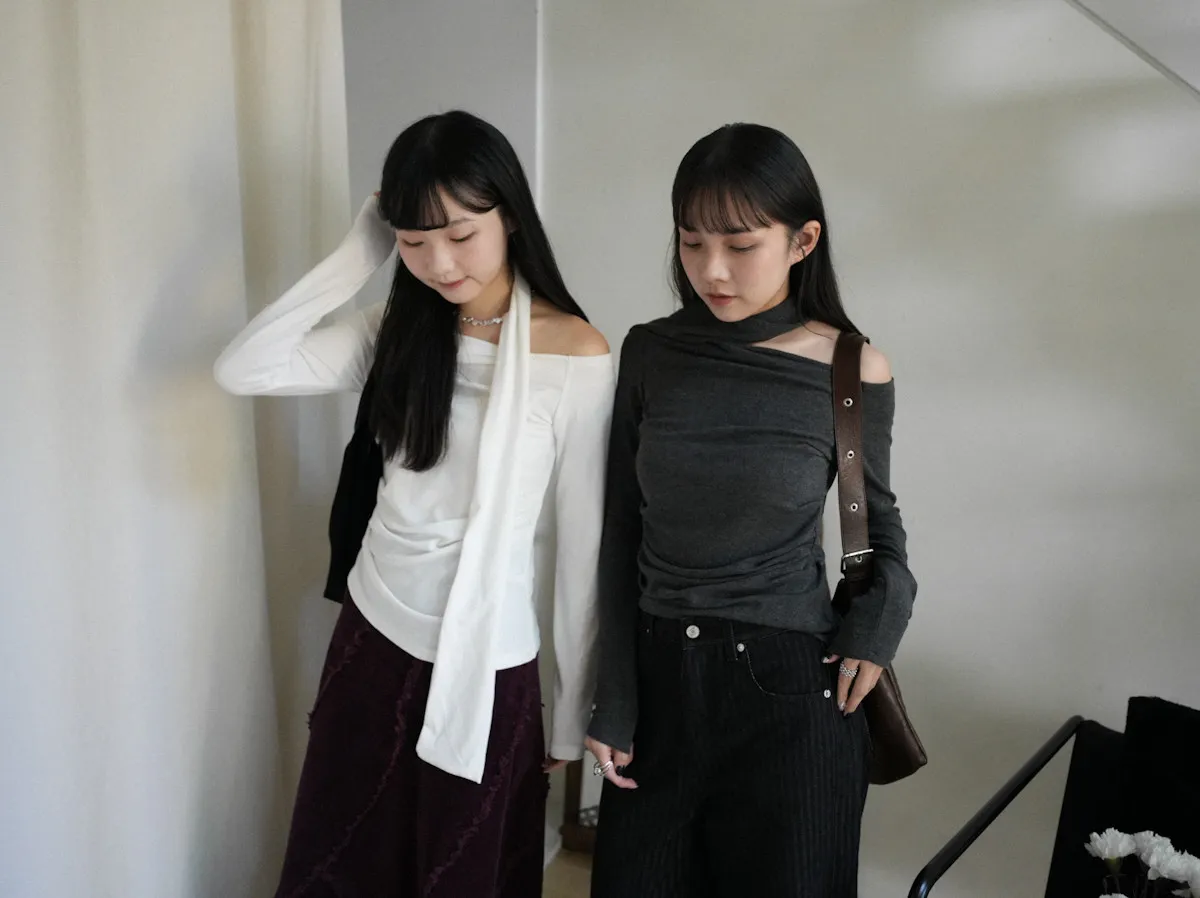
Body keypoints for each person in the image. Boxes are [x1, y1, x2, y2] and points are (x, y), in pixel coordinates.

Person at [214, 110, 613, 898]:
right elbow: (244, 368)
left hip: (489, 661)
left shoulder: (577, 352)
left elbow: (583, 547)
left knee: (460, 874)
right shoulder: (394, 330)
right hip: (374, 635)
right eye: (413, 240)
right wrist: (358, 253)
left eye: (460, 235)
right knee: (347, 863)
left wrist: (570, 715)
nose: (439, 262)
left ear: (510, 215)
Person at [584, 123, 917, 897]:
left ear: (803, 241)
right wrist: (614, 699)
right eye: (691, 242)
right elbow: (621, 527)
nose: (711, 269)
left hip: (791, 695)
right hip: (661, 688)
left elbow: (879, 524)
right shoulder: (650, 352)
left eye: (740, 245)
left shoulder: (851, 368)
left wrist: (879, 624)